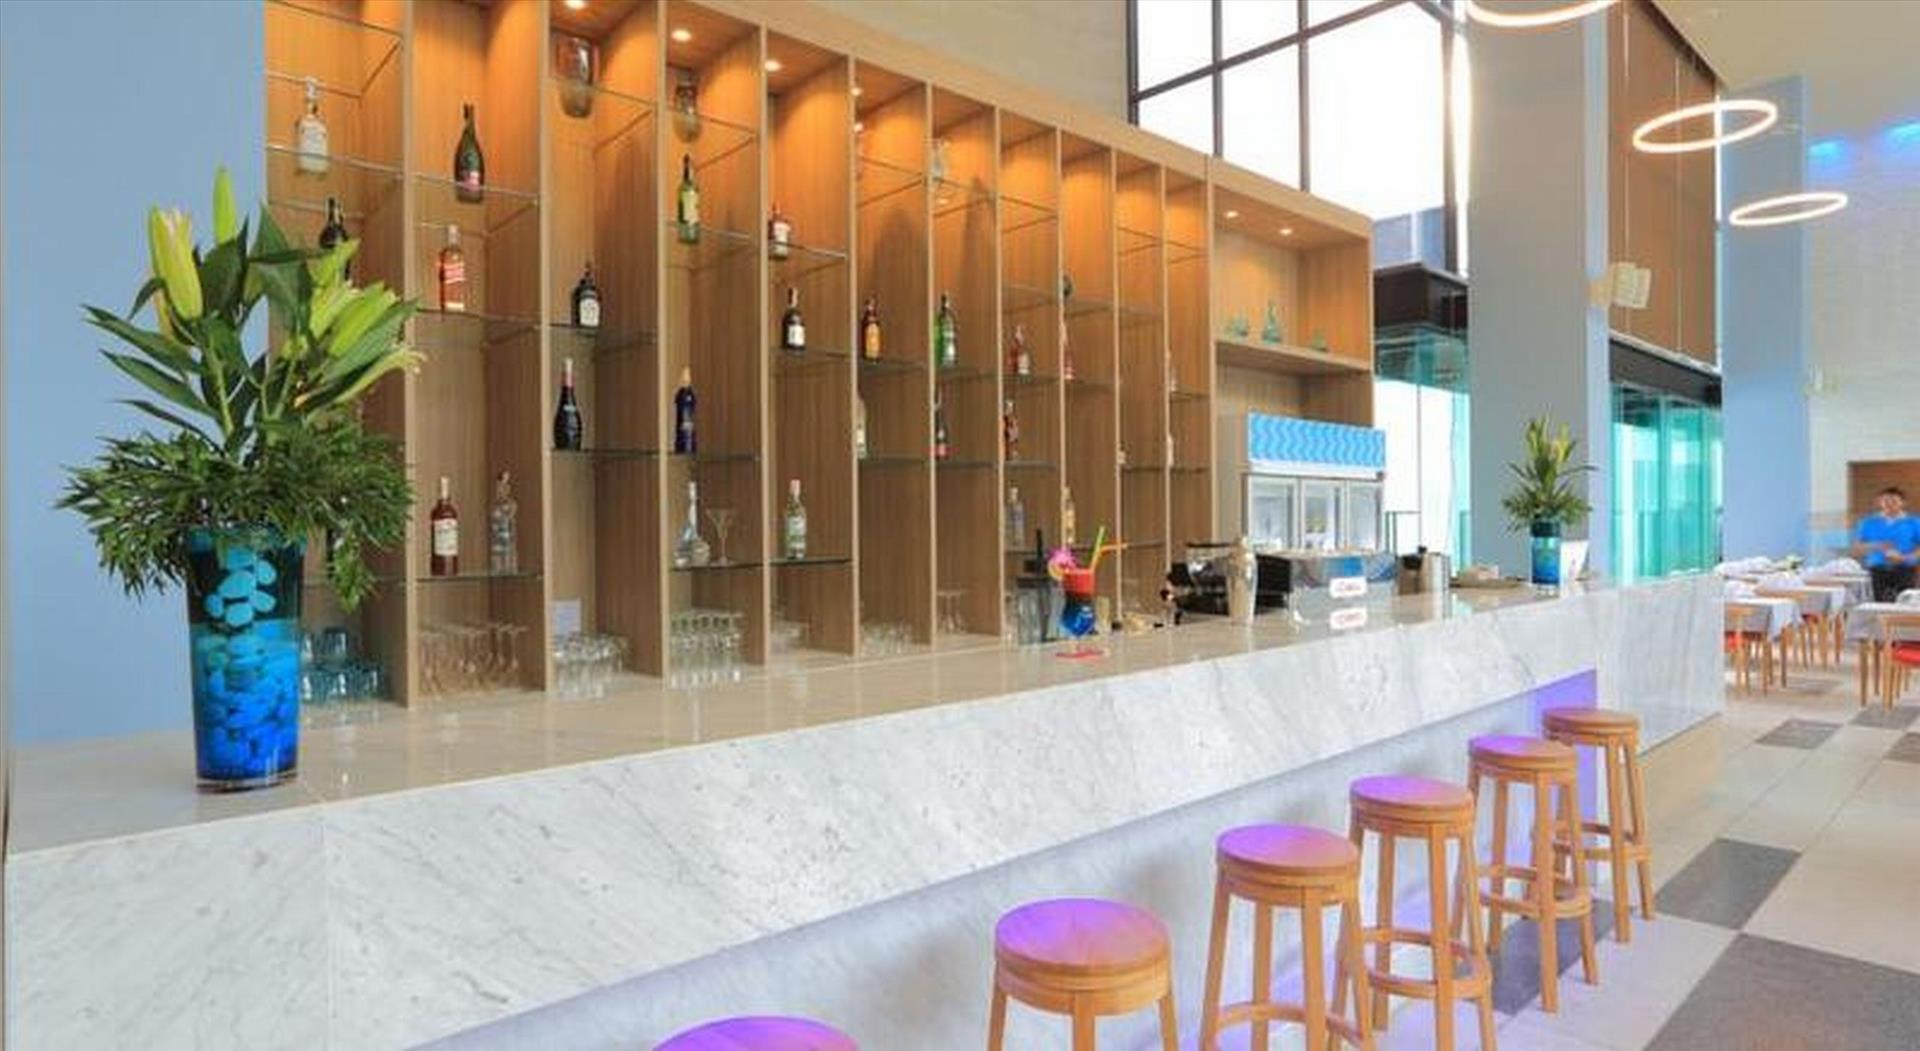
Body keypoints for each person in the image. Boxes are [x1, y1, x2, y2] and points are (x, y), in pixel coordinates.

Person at [1855, 486, 1918, 601]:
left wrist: (1905, 557)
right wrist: (1876, 546)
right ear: (1879, 502)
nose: (1889, 504)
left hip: (1904, 569)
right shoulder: (1868, 522)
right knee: (1879, 604)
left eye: (1894, 501)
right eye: (1885, 501)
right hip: (1877, 570)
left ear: (1903, 503)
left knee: (1905, 603)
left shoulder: (1914, 522)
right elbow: (1858, 548)